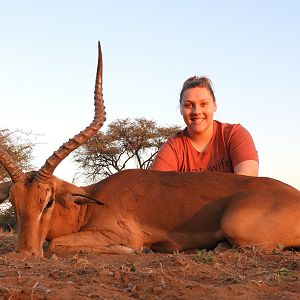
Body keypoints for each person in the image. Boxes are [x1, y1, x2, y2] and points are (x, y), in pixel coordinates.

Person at [151, 76, 259, 176]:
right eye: (188, 105)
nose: (196, 111)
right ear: (180, 109)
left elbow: (247, 181)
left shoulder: (235, 134)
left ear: (214, 105)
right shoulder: (173, 147)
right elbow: (155, 187)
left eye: (204, 104)